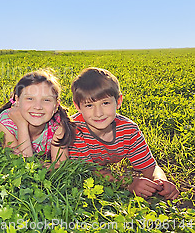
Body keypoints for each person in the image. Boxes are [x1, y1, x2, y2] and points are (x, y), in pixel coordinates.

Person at [69, 67, 179, 200]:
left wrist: (160, 181)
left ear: (118, 101)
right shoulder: (74, 130)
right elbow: (88, 172)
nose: (98, 113)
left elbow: (150, 166)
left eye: (105, 103)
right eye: (89, 105)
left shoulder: (128, 130)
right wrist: (128, 183)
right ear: (77, 106)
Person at [0, 56, 74, 165]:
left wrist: (39, 164)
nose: (38, 106)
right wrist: (22, 125)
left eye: (46, 100)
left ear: (56, 106)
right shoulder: (5, 123)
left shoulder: (58, 125)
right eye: (30, 98)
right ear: (17, 100)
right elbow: (22, 164)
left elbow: (61, 166)